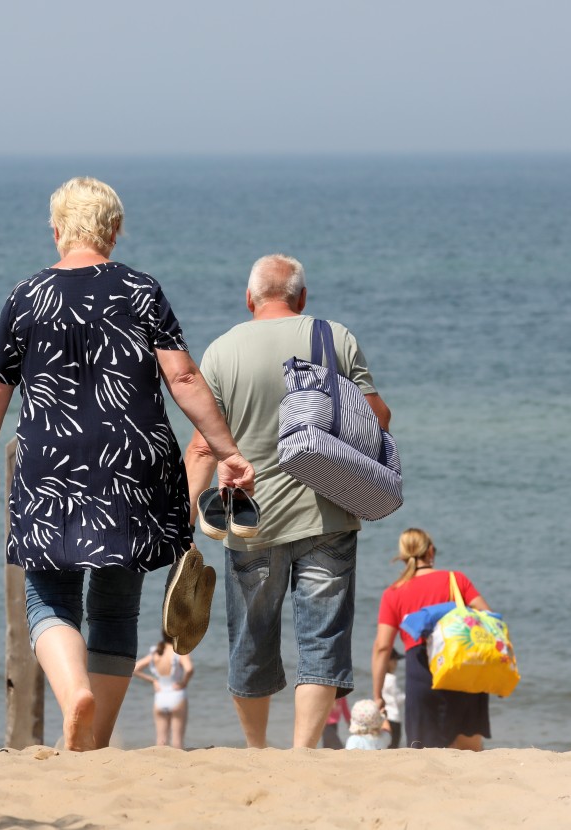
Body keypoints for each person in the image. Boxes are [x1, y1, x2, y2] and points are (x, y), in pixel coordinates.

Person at [0, 177, 253, 752]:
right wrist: (228, 450)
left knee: (49, 597)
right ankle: (93, 742)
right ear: (114, 231)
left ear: (57, 230)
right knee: (117, 607)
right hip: (133, 468)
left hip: (50, 464)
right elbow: (185, 378)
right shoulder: (141, 290)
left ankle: (75, 700)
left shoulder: (27, 296)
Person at [184, 253, 392, 749]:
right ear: (302, 298)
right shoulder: (334, 337)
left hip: (249, 518)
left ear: (249, 298)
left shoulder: (220, 351)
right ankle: (303, 752)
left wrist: (185, 517)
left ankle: (258, 751)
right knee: (322, 637)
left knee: (251, 638)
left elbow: (200, 447)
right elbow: (376, 417)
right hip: (329, 511)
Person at [371, 528, 491, 751]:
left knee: (425, 754)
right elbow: (487, 615)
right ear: (431, 551)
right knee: (471, 753)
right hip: (463, 665)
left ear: (404, 556)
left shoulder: (394, 593)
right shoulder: (457, 580)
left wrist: (378, 695)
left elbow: (383, 646)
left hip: (421, 670)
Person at [132, 632, 193, 749]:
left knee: (161, 740)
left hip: (160, 697)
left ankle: (160, 765)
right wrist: (184, 683)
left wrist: (153, 680)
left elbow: (134, 669)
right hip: (177, 695)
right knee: (177, 740)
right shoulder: (180, 651)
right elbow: (189, 669)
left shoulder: (156, 652)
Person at [381, 648, 405, 749]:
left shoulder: (381, 678)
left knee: (387, 745)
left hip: (384, 717)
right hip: (394, 717)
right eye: (394, 660)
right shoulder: (392, 678)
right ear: (388, 661)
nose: (396, 663)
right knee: (394, 745)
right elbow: (398, 698)